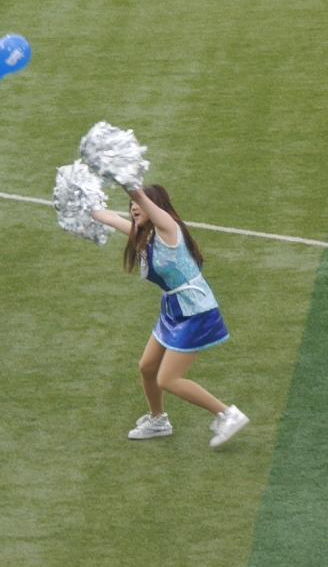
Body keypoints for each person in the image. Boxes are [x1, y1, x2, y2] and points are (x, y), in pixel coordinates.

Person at [92, 185, 248, 447]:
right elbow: (110, 218)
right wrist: (84, 206)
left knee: (168, 379)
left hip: (196, 310)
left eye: (138, 203)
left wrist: (127, 182)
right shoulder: (145, 236)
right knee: (147, 367)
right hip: (174, 309)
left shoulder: (168, 228)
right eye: (131, 204)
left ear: (154, 206)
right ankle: (158, 420)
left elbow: (141, 198)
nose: (133, 207)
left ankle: (228, 414)